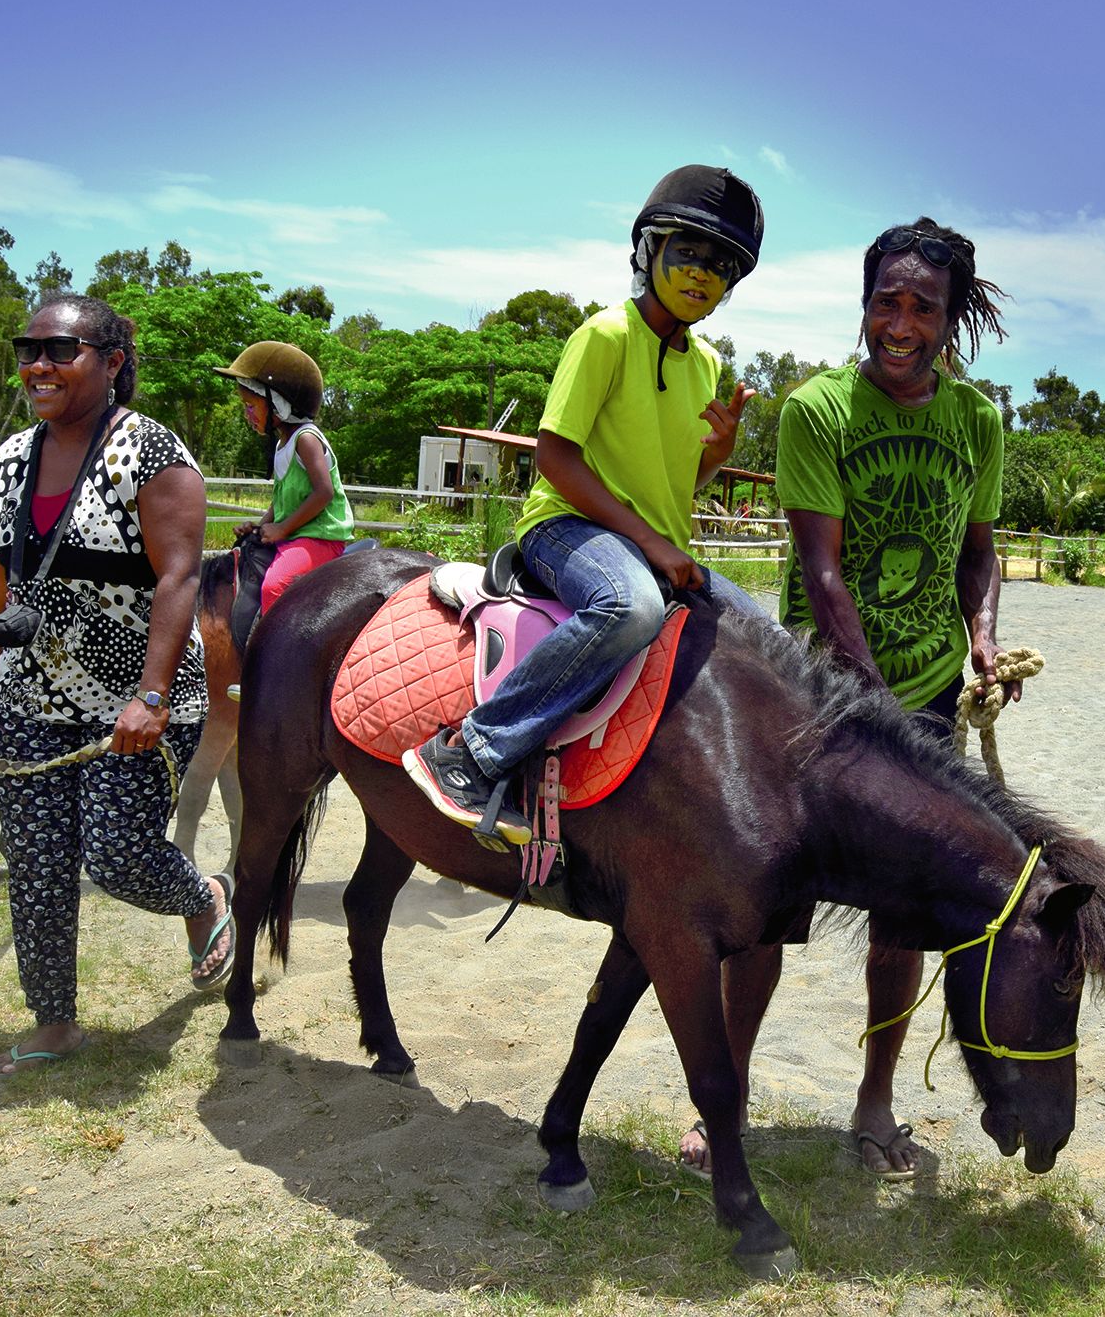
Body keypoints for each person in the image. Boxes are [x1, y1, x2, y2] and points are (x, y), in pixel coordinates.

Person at [676, 217, 1013, 1180]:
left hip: (927, 694)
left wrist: (981, 634)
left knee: (903, 921)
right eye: (884, 301)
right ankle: (724, 1102)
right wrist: (869, 711)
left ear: (952, 320)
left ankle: (873, 1105)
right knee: (764, 908)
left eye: (921, 307)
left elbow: (977, 549)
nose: (898, 323)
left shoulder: (977, 421)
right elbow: (822, 579)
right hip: (814, 699)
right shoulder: (817, 410)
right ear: (863, 304)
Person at [404, 166, 770, 847]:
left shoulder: (708, 364)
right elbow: (555, 457)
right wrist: (655, 546)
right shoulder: (604, 335)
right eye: (686, 253)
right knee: (630, 606)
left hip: (650, 540)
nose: (700, 274)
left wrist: (717, 453)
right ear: (647, 251)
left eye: (719, 266)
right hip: (565, 527)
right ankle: (473, 748)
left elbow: (670, 479)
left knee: (765, 634)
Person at [0, 292, 228, 1076]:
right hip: (34, 694)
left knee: (115, 856)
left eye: (59, 350)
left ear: (110, 362)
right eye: (27, 349)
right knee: (36, 862)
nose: (38, 364)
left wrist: (149, 696)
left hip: (134, 701)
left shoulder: (154, 456)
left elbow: (179, 578)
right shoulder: (10, 458)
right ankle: (55, 1020)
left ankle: (203, 897)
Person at [215, 341, 351, 618]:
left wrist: (283, 529)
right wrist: (261, 526)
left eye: (251, 406)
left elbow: (323, 492)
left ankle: (277, 656)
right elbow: (282, 501)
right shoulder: (282, 445)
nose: (247, 414)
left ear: (279, 403)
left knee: (274, 586)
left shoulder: (307, 439)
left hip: (320, 537)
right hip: (297, 533)